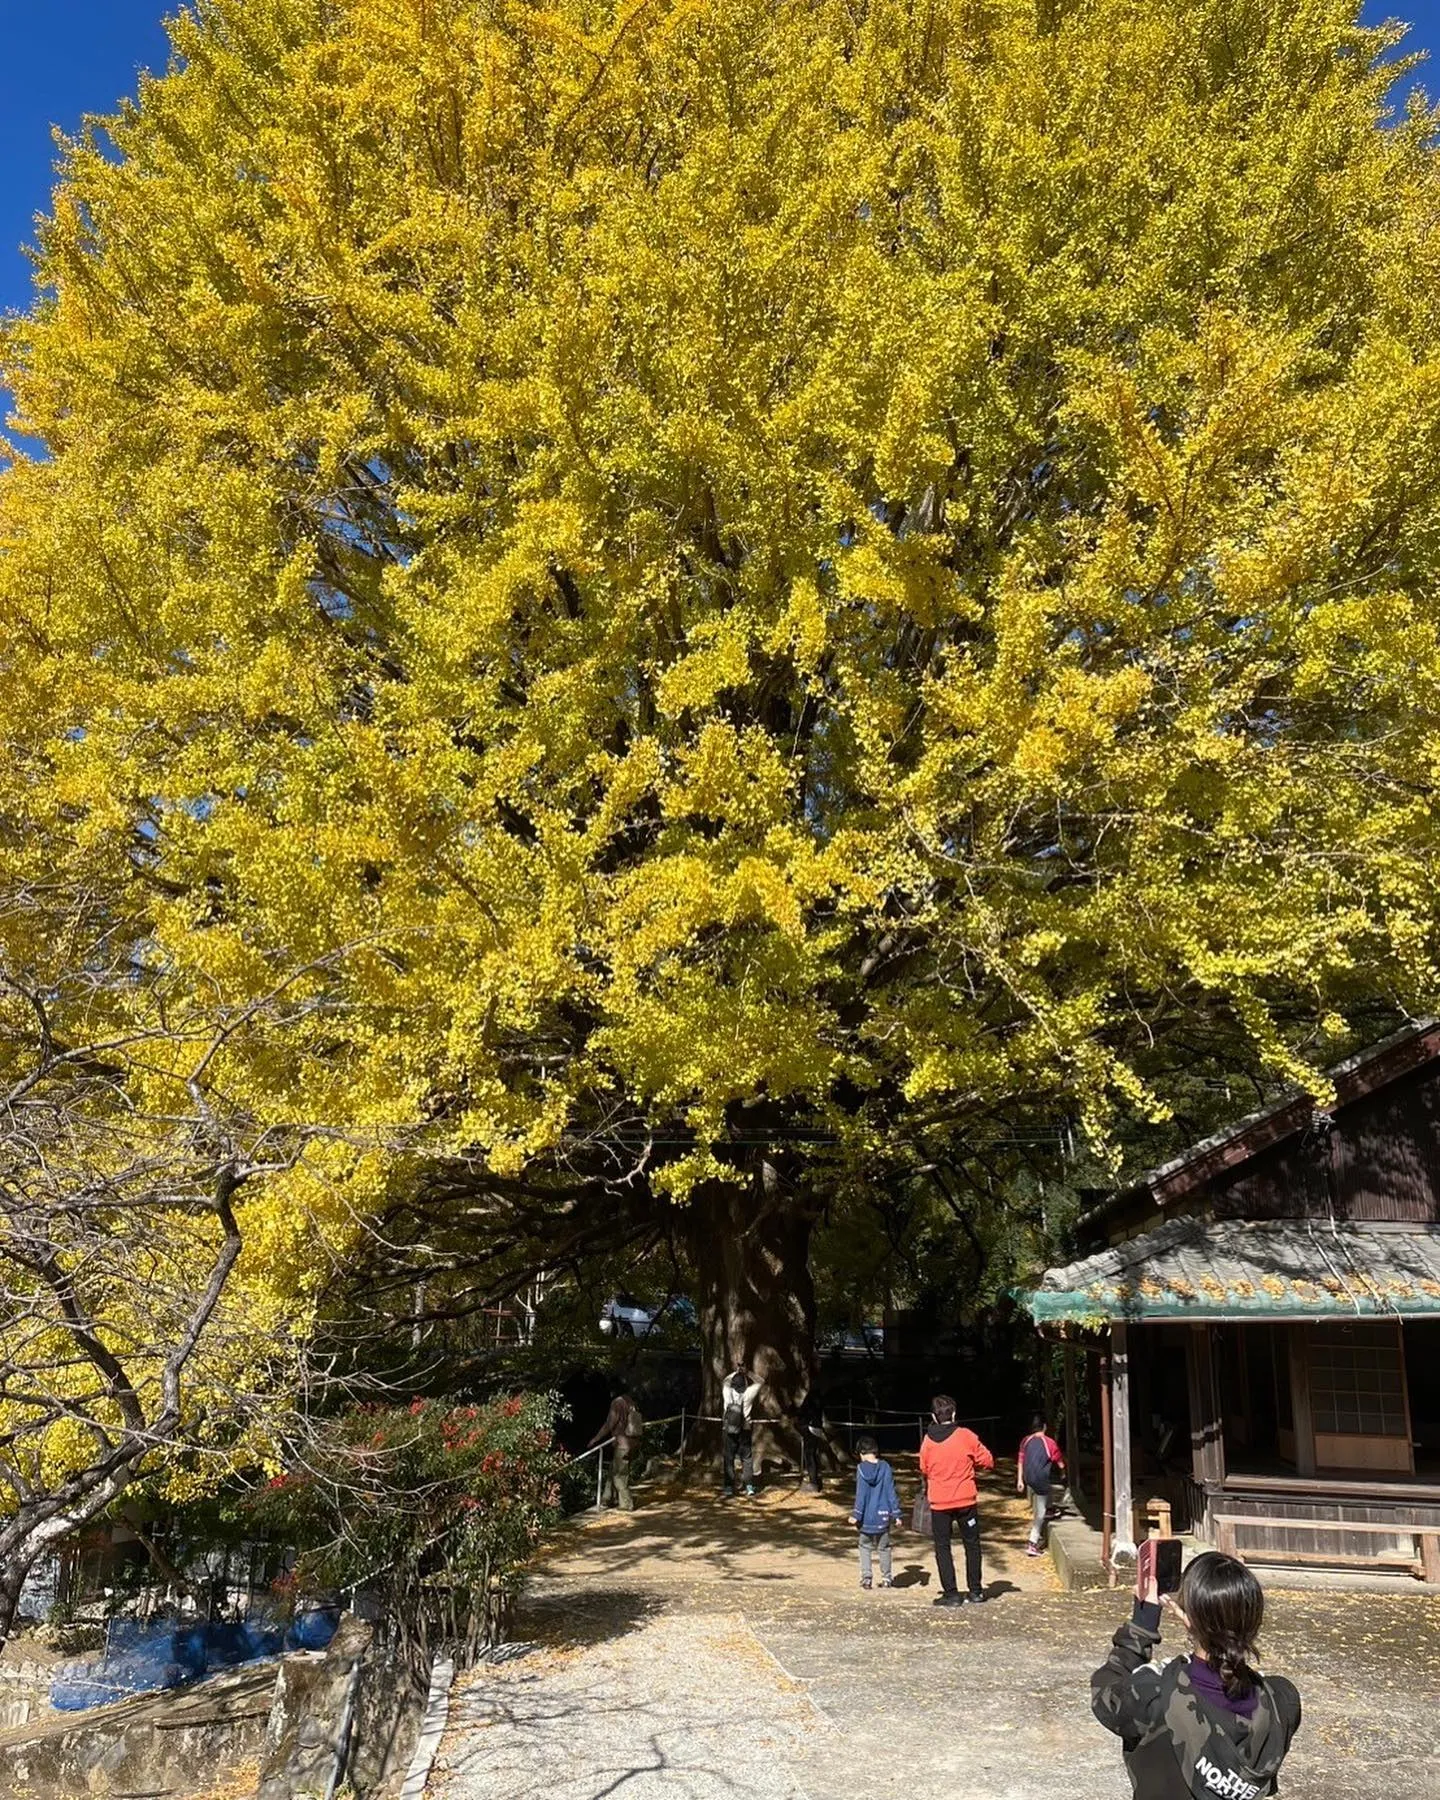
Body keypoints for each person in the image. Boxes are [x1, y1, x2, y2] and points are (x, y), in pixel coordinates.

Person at [1092, 1546, 1301, 1799]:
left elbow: (1106, 1693)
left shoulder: (1155, 1694)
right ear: (1254, 1620)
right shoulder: (1282, 1702)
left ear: (1186, 1618)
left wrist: (1141, 1627)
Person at [918, 1394, 995, 1607]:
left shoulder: (928, 1441)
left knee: (942, 1547)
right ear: (954, 1414)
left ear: (933, 1416)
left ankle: (951, 1594)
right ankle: (976, 1591)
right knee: (972, 1545)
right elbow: (988, 1461)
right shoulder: (966, 1436)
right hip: (965, 1500)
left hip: (940, 1503)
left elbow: (923, 1468)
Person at [848, 1434, 902, 1588]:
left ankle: (866, 1577)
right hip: (883, 1516)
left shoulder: (861, 1469)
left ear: (861, 1453)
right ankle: (887, 1578)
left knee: (865, 1546)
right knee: (884, 1548)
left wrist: (856, 1515)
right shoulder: (885, 1467)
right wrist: (896, 1513)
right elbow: (891, 1492)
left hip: (866, 1518)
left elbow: (861, 1495)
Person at [1016, 1412, 1066, 1557]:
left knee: (1046, 1491)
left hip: (1028, 1477)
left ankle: (1050, 1509)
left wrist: (1020, 1480)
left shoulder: (1025, 1440)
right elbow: (1060, 1462)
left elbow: (1020, 1461)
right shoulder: (1049, 1442)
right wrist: (1063, 1473)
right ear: (1044, 1427)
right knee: (1040, 1511)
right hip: (1040, 1478)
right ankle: (1032, 1542)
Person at [588, 1388, 644, 1510]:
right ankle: (608, 1498)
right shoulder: (631, 1402)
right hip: (633, 1443)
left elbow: (609, 1424)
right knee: (613, 1469)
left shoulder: (617, 1403)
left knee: (619, 1475)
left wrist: (595, 1439)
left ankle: (627, 1503)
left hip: (622, 1444)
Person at [721, 1362, 763, 1497]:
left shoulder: (727, 1392)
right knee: (747, 1458)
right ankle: (749, 1486)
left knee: (729, 1457)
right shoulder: (749, 1393)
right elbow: (760, 1381)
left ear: (733, 1384)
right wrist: (747, 1372)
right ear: (745, 1384)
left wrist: (735, 1371)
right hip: (745, 1429)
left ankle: (728, 1487)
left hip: (729, 1429)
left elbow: (725, 1381)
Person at [797, 1388, 825, 1494]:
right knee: (814, 1454)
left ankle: (813, 1483)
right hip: (818, 1428)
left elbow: (803, 1412)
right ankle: (817, 1481)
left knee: (809, 1456)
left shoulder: (810, 1398)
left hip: (811, 1427)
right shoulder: (819, 1398)